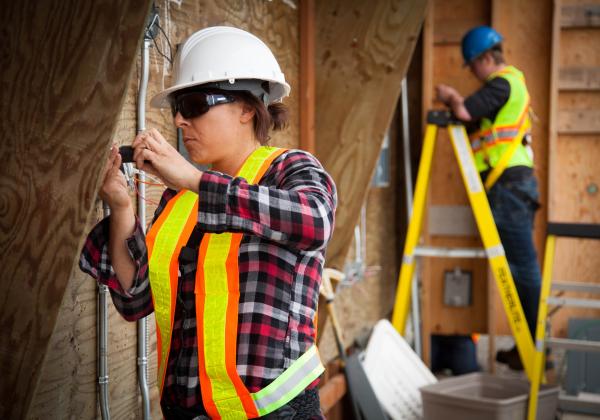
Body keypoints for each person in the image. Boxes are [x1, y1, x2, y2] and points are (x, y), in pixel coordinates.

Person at [80, 26, 337, 419]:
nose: (181, 120)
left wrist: (193, 179)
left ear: (247, 108)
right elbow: (136, 298)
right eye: (177, 108)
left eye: (196, 103)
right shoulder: (180, 199)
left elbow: (315, 221)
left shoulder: (289, 168)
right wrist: (120, 208)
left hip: (277, 412)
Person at [435, 26, 542, 371]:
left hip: (509, 187)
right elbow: (476, 124)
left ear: (485, 58)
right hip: (510, 187)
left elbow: (465, 112)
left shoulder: (503, 82)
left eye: (472, 66)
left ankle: (531, 346)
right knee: (519, 266)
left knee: (522, 267)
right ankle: (528, 344)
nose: (473, 74)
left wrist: (451, 97)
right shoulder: (506, 89)